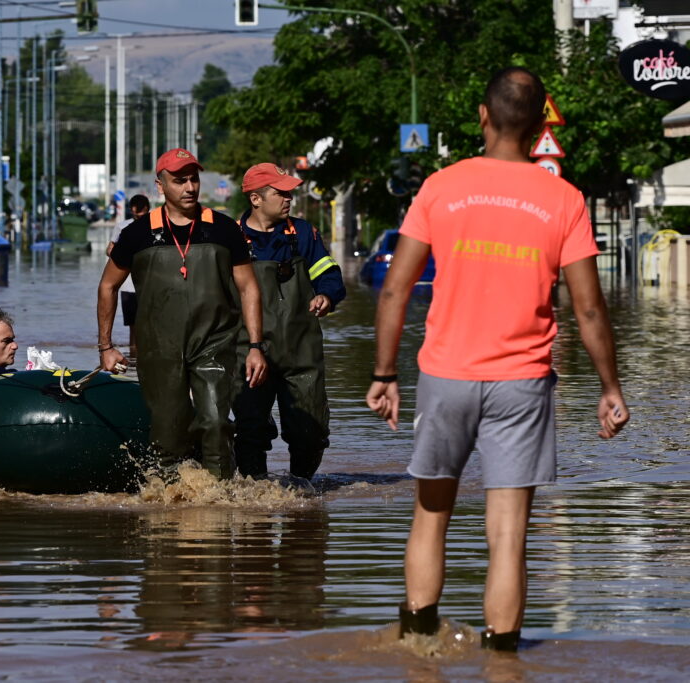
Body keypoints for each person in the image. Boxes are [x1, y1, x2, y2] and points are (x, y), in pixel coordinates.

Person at [365, 67, 629, 651]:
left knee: (430, 516)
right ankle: (502, 662)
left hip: (445, 375)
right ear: (539, 129)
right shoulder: (564, 198)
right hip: (523, 382)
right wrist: (610, 387)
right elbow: (588, 309)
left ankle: (417, 647)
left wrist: (385, 373)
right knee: (508, 536)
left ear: (483, 117)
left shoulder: (441, 186)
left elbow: (395, 289)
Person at [97, 148, 268, 480]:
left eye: (194, 179)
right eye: (179, 181)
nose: (190, 187)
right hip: (159, 348)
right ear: (160, 186)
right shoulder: (136, 234)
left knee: (216, 423)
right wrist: (106, 347)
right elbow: (107, 286)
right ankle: (170, 503)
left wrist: (257, 347)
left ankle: (220, 502)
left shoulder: (224, 229)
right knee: (168, 432)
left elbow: (249, 288)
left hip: (214, 343)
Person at [233, 163, 347, 482]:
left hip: (301, 353)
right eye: (280, 192)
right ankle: (255, 501)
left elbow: (330, 275)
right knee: (251, 431)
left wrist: (327, 295)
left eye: (290, 192)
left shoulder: (303, 234)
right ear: (255, 199)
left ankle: (301, 493)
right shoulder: (232, 239)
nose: (289, 198)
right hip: (249, 353)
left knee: (309, 431)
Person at [106, 194, 151, 352]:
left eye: (142, 214)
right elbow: (110, 250)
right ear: (131, 211)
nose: (139, 217)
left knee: (148, 323)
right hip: (128, 286)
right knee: (133, 325)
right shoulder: (123, 227)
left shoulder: (154, 227)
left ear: (148, 210)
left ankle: (142, 356)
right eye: (135, 214)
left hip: (149, 285)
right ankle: (134, 357)